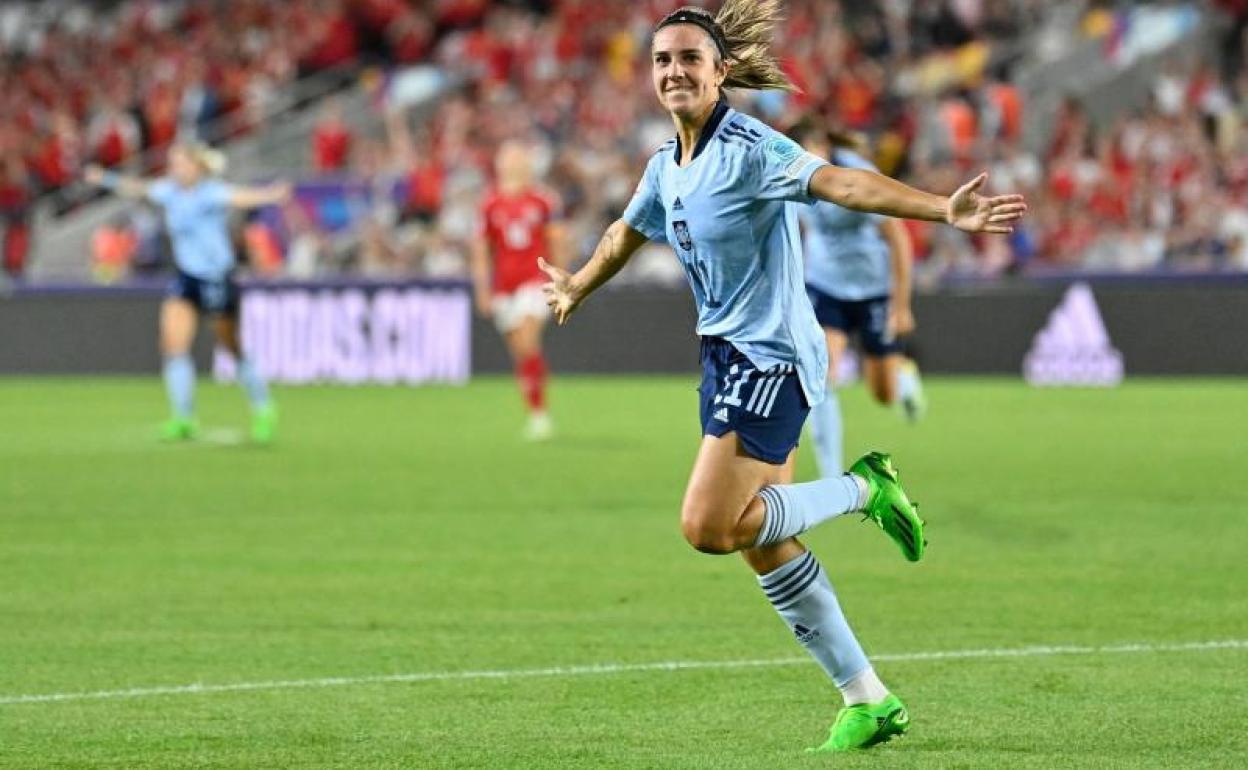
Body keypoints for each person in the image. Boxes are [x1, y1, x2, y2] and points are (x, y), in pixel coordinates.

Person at [537, 1, 1025, 753]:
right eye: (663, 60)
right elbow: (625, 233)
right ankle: (868, 697)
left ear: (720, 70)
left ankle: (865, 488)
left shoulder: (751, 148)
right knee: (761, 537)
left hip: (771, 357)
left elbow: (842, 185)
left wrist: (938, 210)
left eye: (689, 59)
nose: (674, 71)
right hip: (724, 358)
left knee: (706, 527)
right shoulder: (666, 164)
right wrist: (576, 284)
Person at [84, 143, 290, 443]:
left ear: (197, 167)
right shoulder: (170, 192)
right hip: (186, 278)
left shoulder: (210, 193)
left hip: (216, 278)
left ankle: (263, 407)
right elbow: (139, 188)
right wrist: (105, 178)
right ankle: (183, 417)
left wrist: (271, 194)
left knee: (231, 347)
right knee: (173, 345)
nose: (175, 168)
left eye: (181, 163)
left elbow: (239, 197)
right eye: (173, 163)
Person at [789, 119, 926, 478]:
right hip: (824, 285)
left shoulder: (858, 175)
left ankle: (905, 379)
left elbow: (897, 239)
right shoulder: (790, 176)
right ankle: (831, 474)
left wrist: (900, 305)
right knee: (818, 375)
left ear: (822, 145)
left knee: (883, 393)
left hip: (871, 289)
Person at [471, 139, 568, 441]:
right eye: (507, 158)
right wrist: (483, 290)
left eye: (517, 158)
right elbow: (482, 251)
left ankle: (540, 418)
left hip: (534, 281)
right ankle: (537, 413)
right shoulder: (490, 204)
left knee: (527, 338)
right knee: (520, 352)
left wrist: (562, 282)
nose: (512, 163)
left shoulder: (542, 201)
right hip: (505, 287)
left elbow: (558, 240)